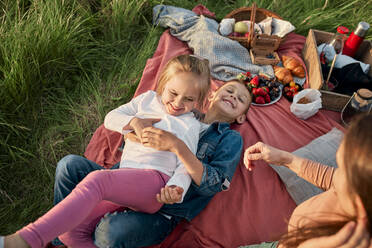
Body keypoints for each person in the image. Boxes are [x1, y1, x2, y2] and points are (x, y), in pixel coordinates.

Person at [1, 53, 212, 248]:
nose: (177, 103)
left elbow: (185, 165)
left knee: (97, 180)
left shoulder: (189, 125)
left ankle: (26, 239)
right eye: (173, 93)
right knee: (70, 232)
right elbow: (110, 118)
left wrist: (176, 188)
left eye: (189, 99)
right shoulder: (147, 100)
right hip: (124, 178)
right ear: (163, 84)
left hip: (155, 184)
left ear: (198, 101)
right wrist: (134, 121)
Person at [243, 114, 372, 248]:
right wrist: (286, 159)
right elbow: (328, 177)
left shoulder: (346, 241)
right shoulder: (351, 191)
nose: (334, 172)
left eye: (341, 168)